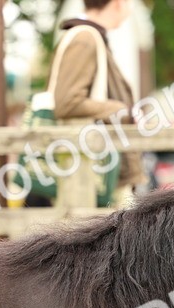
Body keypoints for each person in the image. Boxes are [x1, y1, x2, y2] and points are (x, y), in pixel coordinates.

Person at [43, 0, 144, 204]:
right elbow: (67, 102)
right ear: (117, 3)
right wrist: (122, 110)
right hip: (90, 173)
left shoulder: (88, 36)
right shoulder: (85, 38)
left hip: (91, 167)